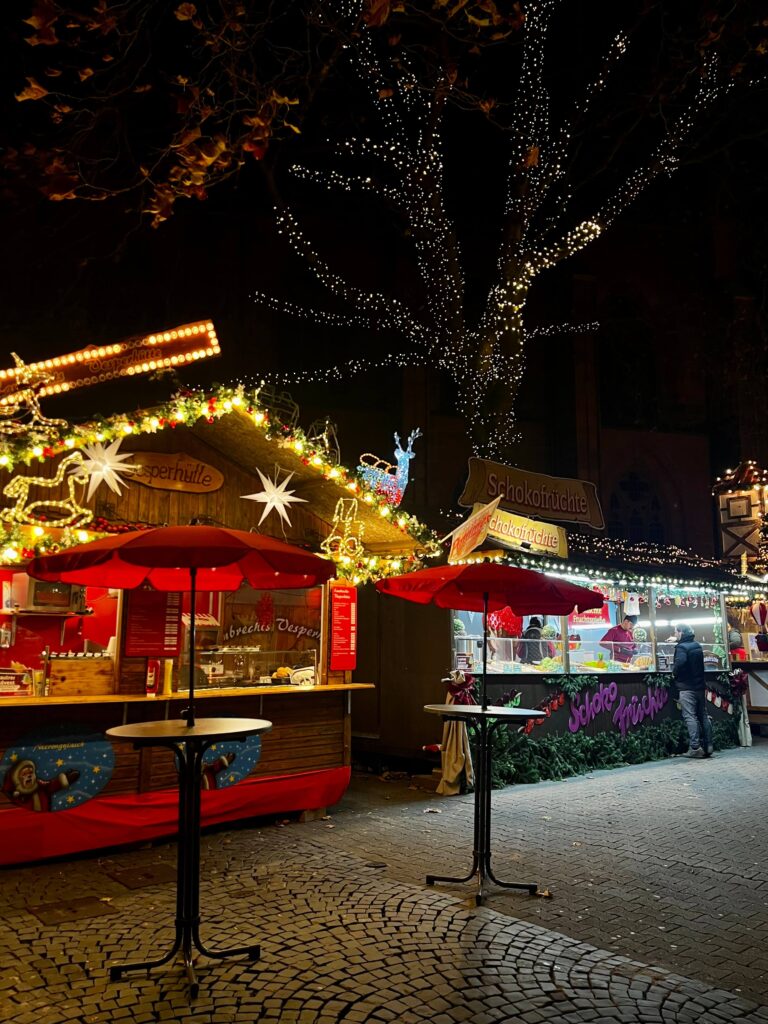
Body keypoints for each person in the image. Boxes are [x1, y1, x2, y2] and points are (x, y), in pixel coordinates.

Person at [672, 624, 713, 759]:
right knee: (703, 715)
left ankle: (695, 747)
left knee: (690, 716)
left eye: (676, 632)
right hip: (699, 686)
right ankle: (708, 745)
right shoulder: (697, 645)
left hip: (686, 686)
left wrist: (674, 673)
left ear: (681, 633)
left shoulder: (681, 647)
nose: (675, 634)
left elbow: (680, 662)